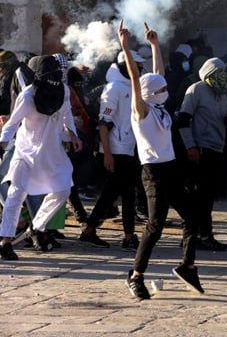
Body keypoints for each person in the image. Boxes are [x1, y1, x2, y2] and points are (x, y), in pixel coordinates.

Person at [119, 21, 202, 300]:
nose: (167, 91)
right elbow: (135, 78)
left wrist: (155, 45)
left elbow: (158, 76)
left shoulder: (158, 104)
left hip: (171, 168)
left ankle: (188, 266)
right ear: (151, 94)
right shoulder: (141, 111)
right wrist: (125, 47)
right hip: (153, 172)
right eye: (162, 89)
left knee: (193, 216)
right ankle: (135, 275)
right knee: (155, 226)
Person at [0, 55, 82, 260]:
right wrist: (2, 143)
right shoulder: (27, 97)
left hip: (52, 153)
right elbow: (12, 124)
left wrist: (72, 134)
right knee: (15, 195)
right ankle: (6, 242)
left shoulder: (62, 90)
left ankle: (37, 226)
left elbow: (66, 115)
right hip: (26, 154)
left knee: (63, 190)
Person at [79, 51, 145, 250]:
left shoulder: (135, 87)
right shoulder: (113, 88)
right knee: (121, 193)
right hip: (115, 150)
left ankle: (93, 230)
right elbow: (103, 123)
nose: (139, 70)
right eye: (136, 67)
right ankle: (127, 235)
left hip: (130, 148)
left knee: (117, 193)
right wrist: (106, 153)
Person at [178, 57, 227, 251]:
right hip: (200, 148)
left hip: (216, 147)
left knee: (208, 195)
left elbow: (224, 119)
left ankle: (201, 234)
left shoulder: (223, 92)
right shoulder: (196, 90)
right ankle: (197, 235)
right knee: (198, 195)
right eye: (220, 72)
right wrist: (190, 147)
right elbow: (184, 119)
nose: (224, 75)